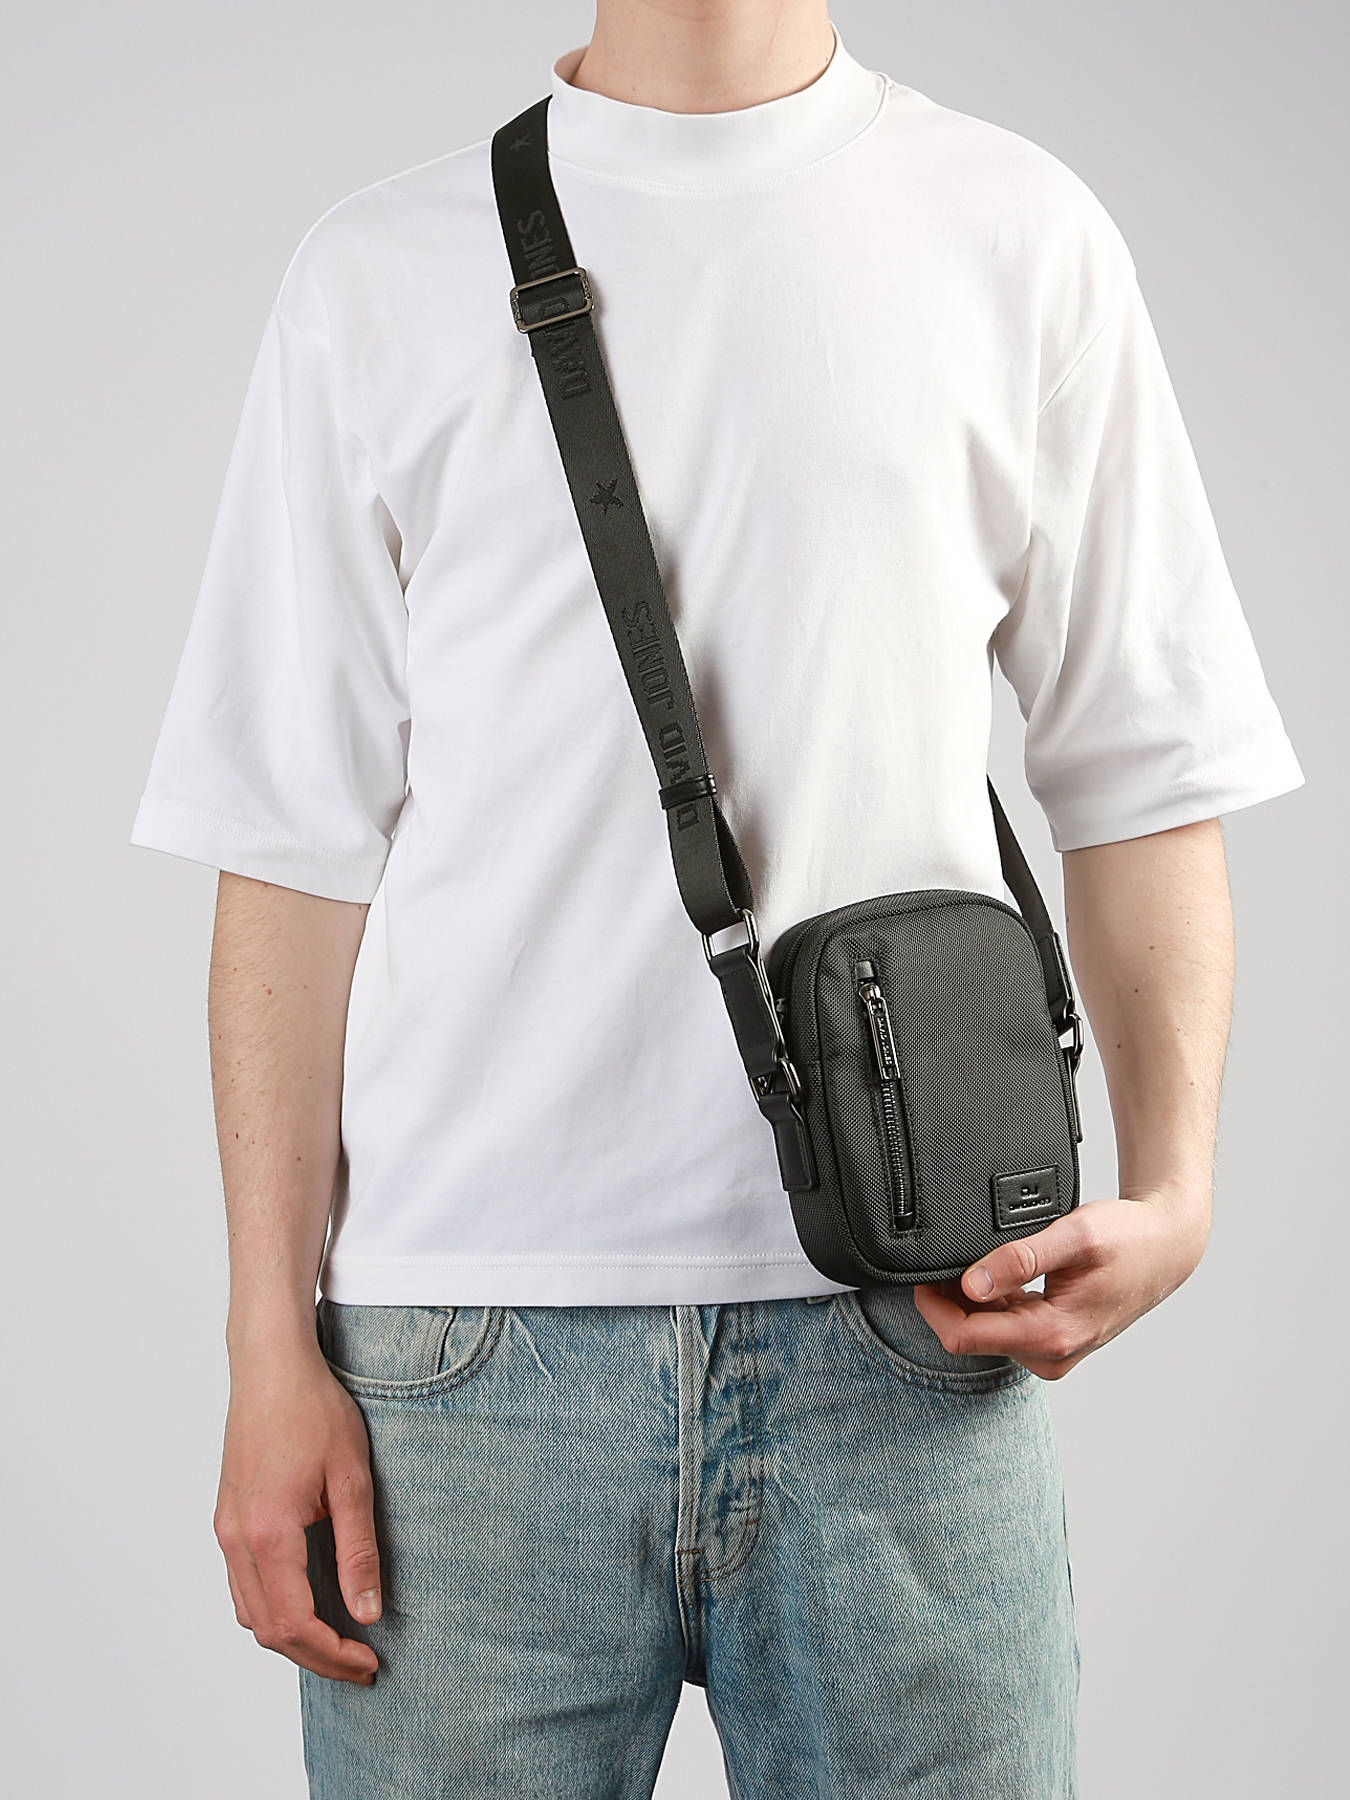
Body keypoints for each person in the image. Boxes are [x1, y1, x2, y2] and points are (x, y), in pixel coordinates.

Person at [129, 4, 1305, 1795]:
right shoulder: (375, 273)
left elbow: (1144, 771)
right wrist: (263, 1350)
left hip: (909, 1328)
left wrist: (1182, 1191)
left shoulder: (1016, 230)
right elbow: (290, 852)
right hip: (459, 1361)